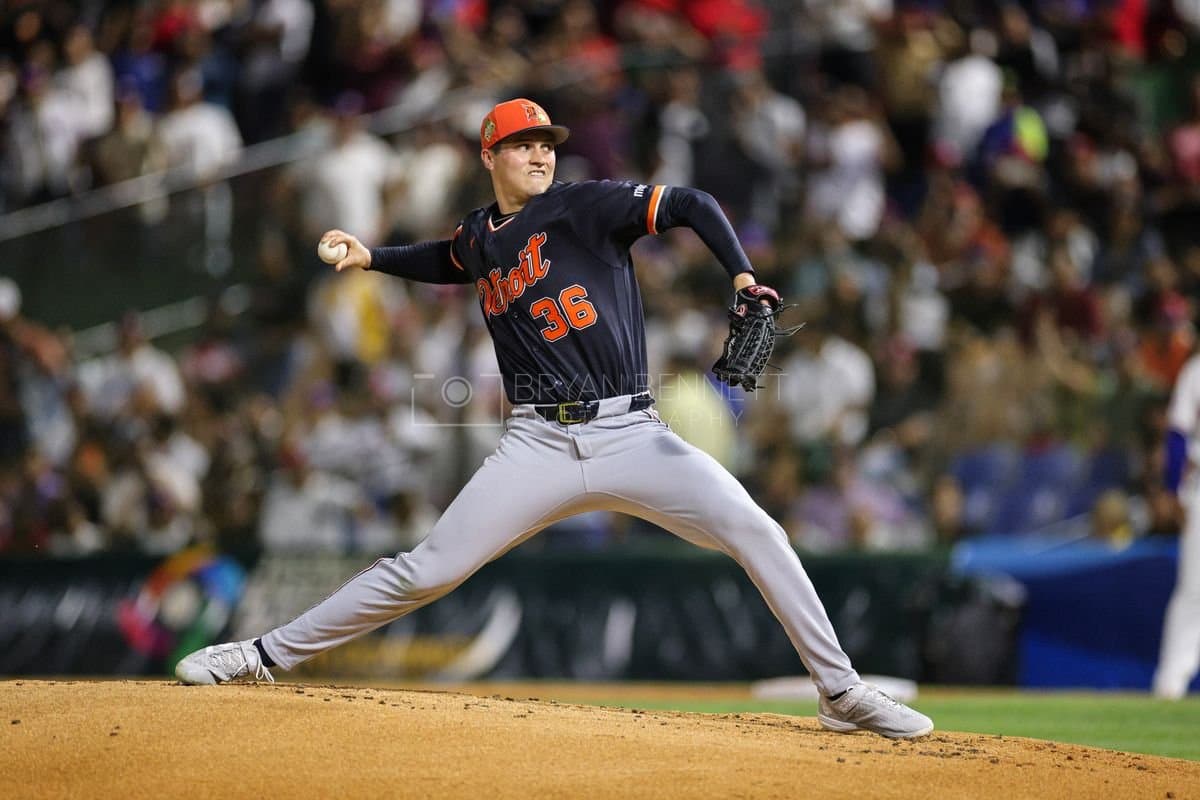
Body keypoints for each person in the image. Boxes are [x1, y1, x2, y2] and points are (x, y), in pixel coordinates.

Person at [175, 98, 933, 739]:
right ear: (490, 155)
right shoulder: (481, 234)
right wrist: (371, 255)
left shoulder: (583, 205)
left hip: (632, 434)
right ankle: (260, 657)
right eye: (523, 144)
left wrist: (740, 272)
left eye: (545, 144)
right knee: (427, 570)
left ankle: (840, 693)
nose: (540, 154)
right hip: (537, 442)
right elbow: (450, 258)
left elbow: (693, 205)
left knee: (756, 530)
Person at [1154, 351, 1200, 699]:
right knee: (1194, 589)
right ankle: (1170, 684)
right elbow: (1178, 434)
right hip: (1198, 491)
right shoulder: (1195, 370)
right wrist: (1172, 489)